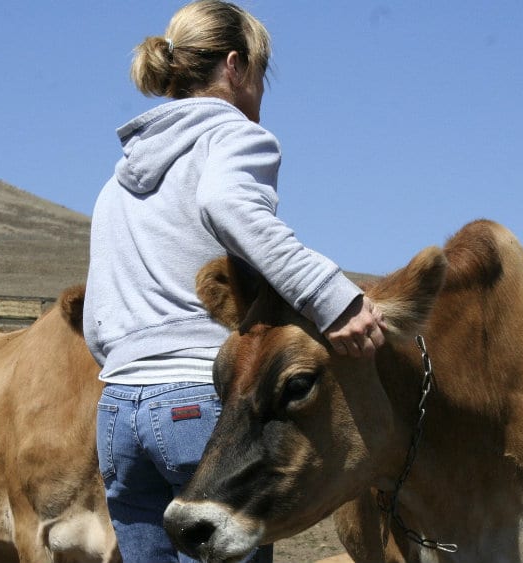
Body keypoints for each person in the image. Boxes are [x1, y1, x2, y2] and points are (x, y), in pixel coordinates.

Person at [83, 1, 388, 561]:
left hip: (116, 414)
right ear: (235, 66)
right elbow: (226, 202)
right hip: (199, 406)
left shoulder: (117, 182)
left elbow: (96, 323)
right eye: (261, 75)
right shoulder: (235, 136)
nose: (261, 94)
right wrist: (331, 298)